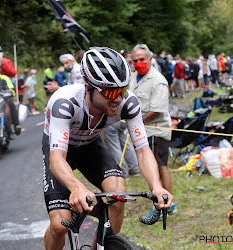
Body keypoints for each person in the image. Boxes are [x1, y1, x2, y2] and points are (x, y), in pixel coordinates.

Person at [42, 46, 173, 249]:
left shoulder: (127, 103)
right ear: (89, 87)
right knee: (59, 225)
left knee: (118, 195)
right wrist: (77, 187)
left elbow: (142, 149)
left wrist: (156, 185)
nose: (118, 99)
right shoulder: (65, 103)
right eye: (111, 92)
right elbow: (56, 158)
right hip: (61, 151)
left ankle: (102, 245)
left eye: (122, 90)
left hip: (90, 144)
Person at [129, 44, 177, 219]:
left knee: (157, 168)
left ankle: (164, 205)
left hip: (156, 131)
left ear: (150, 59)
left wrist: (135, 123)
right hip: (143, 132)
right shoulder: (134, 78)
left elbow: (156, 110)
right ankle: (165, 204)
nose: (138, 63)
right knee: (152, 169)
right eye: (135, 60)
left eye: (142, 59)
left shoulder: (158, 80)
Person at [0, 58, 21, 136]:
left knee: (7, 112)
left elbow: (11, 89)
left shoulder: (4, 78)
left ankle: (14, 126)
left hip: (1, 102)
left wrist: (8, 92)